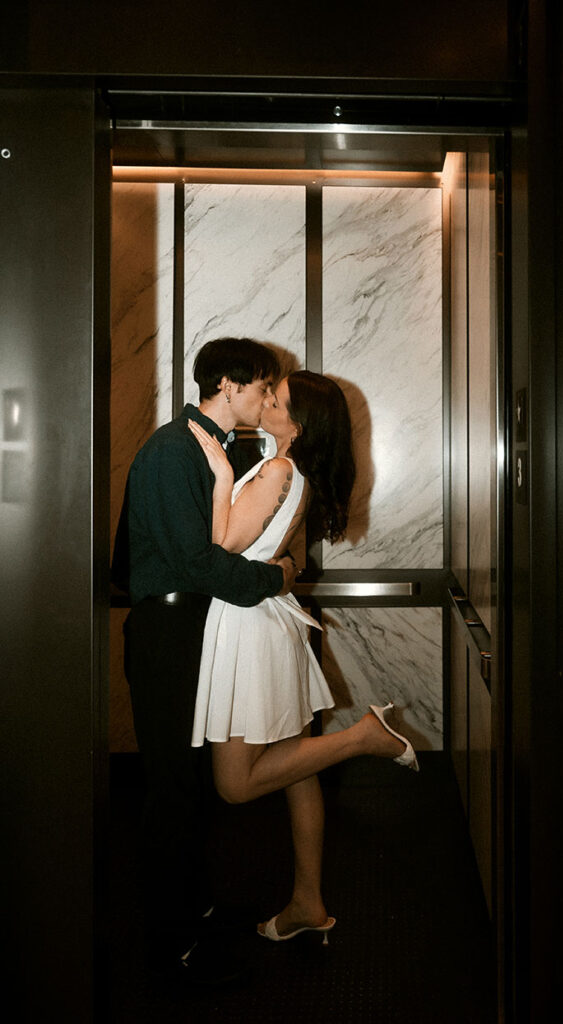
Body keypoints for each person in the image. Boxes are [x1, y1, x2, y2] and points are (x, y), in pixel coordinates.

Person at [188, 370, 419, 946]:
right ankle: (307, 903)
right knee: (297, 770)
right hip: (270, 626)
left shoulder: (278, 470)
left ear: (298, 424)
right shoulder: (293, 472)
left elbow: (221, 544)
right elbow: (283, 555)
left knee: (235, 786)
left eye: (278, 398)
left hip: (250, 632)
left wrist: (219, 475)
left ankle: (363, 736)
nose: (266, 399)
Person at [116, 338, 298, 982]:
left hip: (188, 625)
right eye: (261, 387)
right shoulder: (174, 450)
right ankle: (166, 942)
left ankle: (190, 908)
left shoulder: (209, 448)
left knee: (189, 782)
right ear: (228, 384)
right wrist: (274, 580)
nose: (267, 397)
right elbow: (196, 561)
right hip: (168, 629)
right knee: (170, 785)